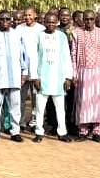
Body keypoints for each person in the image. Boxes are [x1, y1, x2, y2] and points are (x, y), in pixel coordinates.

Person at [0, 10, 28, 143]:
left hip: (14, 76)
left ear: (11, 20)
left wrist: (24, 72)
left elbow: (24, 55)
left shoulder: (17, 35)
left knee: (15, 106)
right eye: (2, 19)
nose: (5, 22)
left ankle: (15, 132)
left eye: (8, 19)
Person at [29, 13, 73, 142]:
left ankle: (62, 132)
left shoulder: (62, 36)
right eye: (48, 22)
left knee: (60, 108)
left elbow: (66, 57)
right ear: (44, 22)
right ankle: (39, 132)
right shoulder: (38, 36)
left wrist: (68, 77)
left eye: (53, 22)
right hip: (42, 78)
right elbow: (33, 57)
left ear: (57, 22)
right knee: (40, 108)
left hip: (58, 78)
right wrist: (35, 77)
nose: (50, 24)